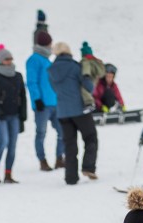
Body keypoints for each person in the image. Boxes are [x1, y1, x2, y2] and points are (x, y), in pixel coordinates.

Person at [48, 42, 98, 184]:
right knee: (90, 137)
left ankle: (70, 177)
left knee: (69, 145)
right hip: (80, 109)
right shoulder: (75, 66)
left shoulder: (50, 70)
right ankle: (88, 167)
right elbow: (88, 87)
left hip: (62, 112)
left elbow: (54, 89)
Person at [0, 45, 27, 183]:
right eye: (6, 59)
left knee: (13, 145)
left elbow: (23, 95)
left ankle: (8, 174)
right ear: (0, 60)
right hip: (1, 116)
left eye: (10, 58)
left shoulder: (18, 76)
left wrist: (23, 115)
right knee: (3, 141)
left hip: (14, 115)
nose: (9, 61)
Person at [26, 29, 64, 171]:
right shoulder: (34, 60)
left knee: (62, 132)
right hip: (42, 105)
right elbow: (31, 81)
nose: (51, 45)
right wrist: (37, 99)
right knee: (41, 133)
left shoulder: (47, 59)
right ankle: (42, 160)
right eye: (50, 43)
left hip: (55, 102)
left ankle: (59, 158)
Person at [79, 42, 106, 114]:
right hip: (94, 82)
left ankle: (89, 103)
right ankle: (89, 104)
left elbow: (86, 67)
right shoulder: (96, 61)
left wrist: (86, 75)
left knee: (82, 89)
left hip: (87, 79)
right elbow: (102, 73)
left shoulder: (85, 60)